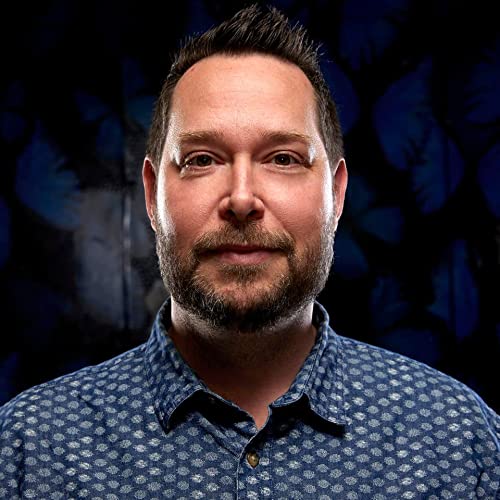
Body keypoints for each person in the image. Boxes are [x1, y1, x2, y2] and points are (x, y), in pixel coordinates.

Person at [1, 5, 499, 499]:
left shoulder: (459, 443)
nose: (241, 199)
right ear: (152, 196)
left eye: (282, 158)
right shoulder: (30, 450)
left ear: (336, 194)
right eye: (202, 159)